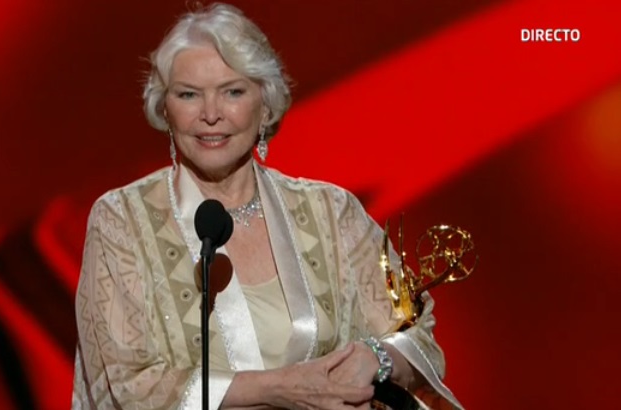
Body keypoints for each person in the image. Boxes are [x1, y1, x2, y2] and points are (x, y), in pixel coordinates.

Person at [72, 3, 462, 409]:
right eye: (188, 94)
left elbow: (417, 334)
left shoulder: (331, 211)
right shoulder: (121, 220)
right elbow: (129, 384)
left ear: (266, 105)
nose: (210, 114)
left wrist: (375, 358)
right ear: (165, 109)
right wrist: (280, 388)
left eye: (233, 92)